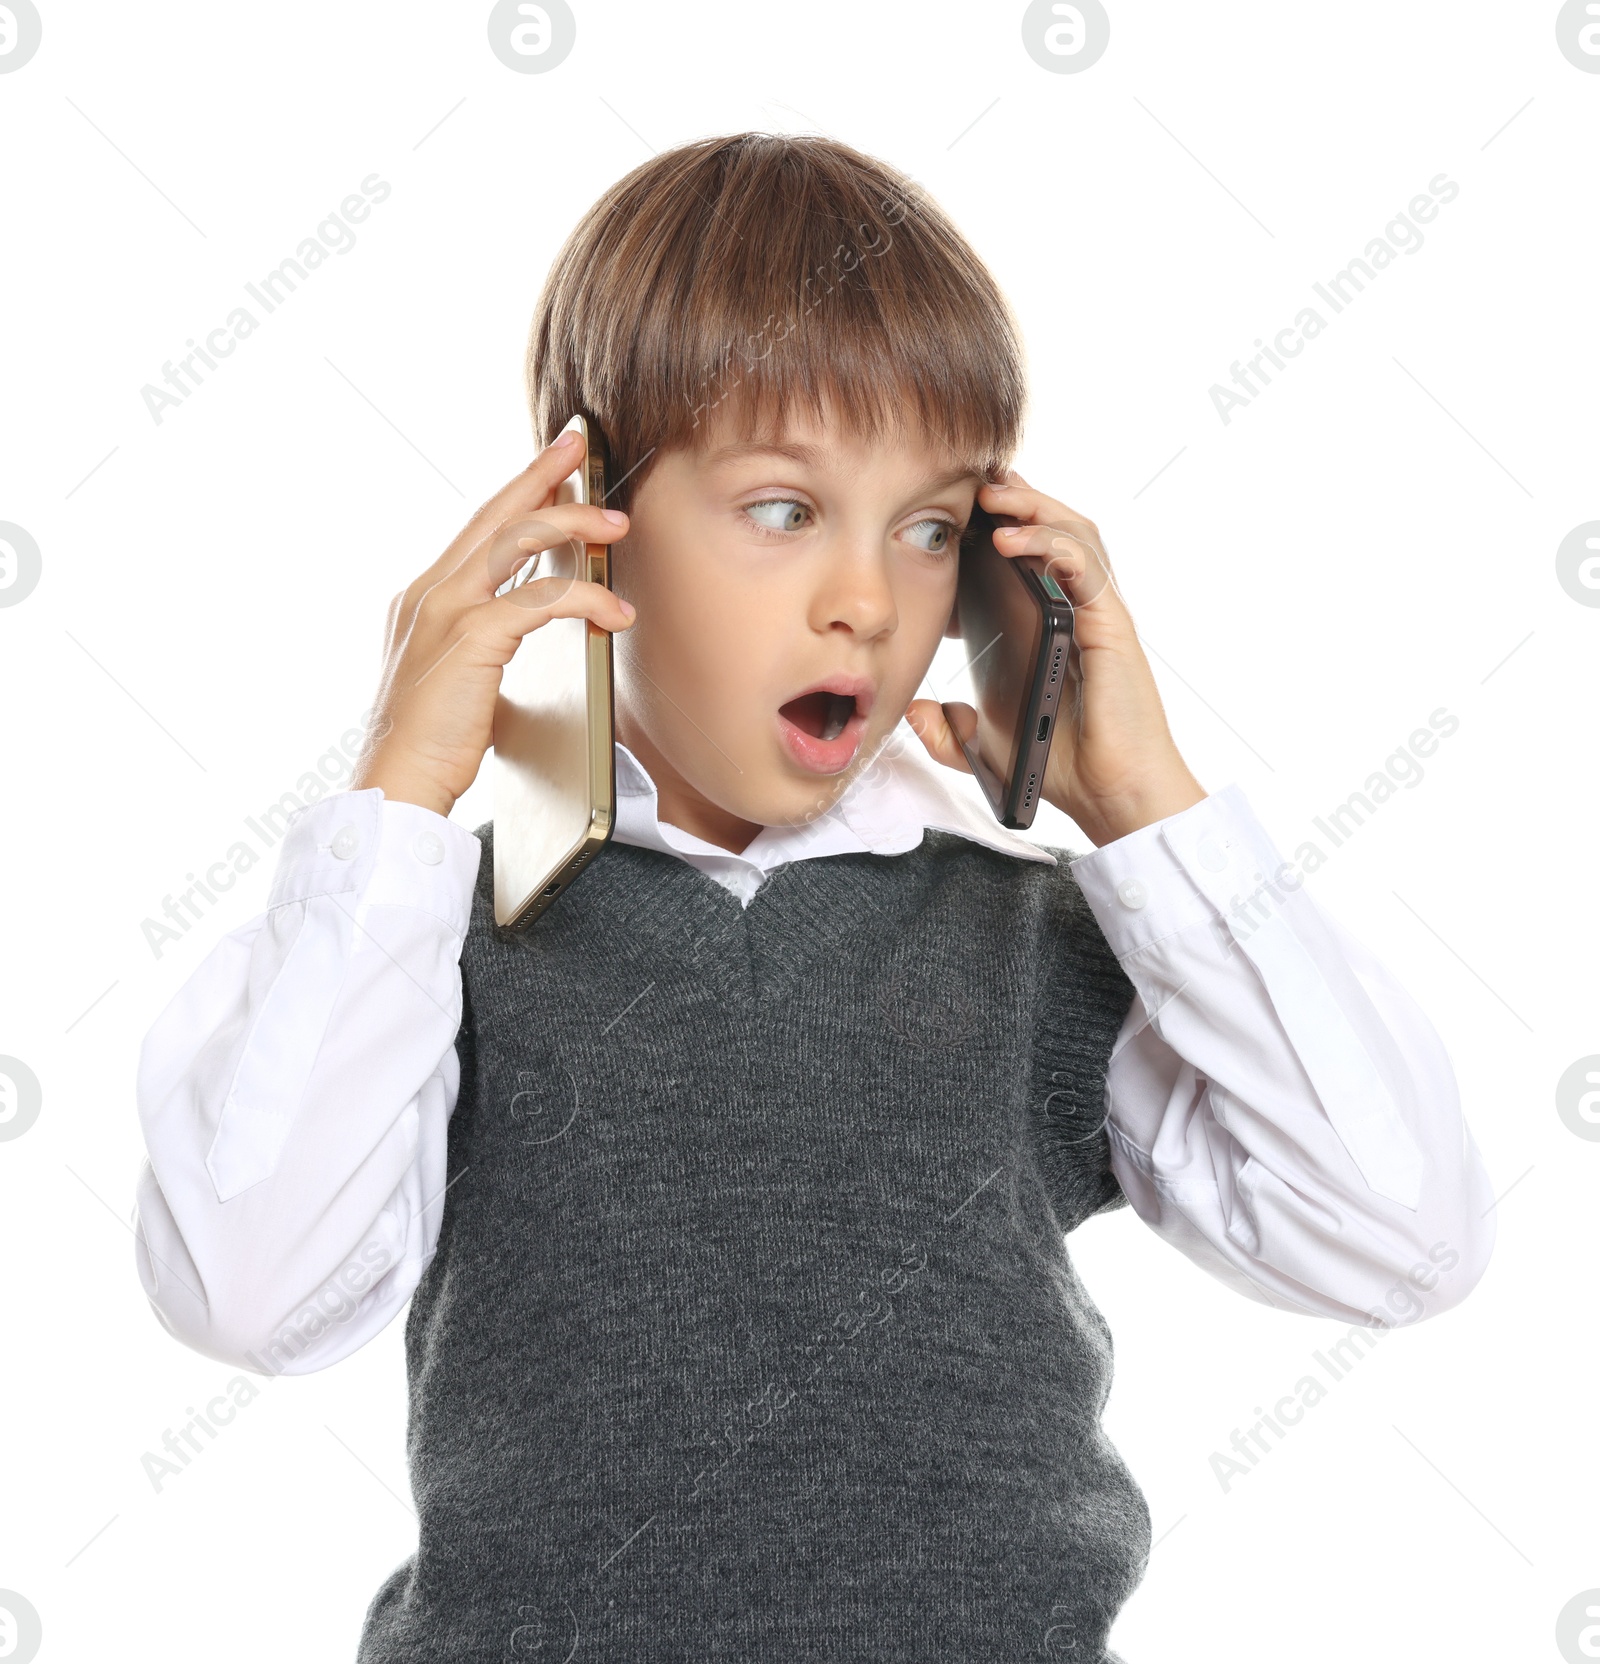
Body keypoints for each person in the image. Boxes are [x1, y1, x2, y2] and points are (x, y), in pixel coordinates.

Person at [131, 131, 1496, 1662]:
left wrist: (1150, 815)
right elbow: (249, 1298)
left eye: (927, 529)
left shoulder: (1037, 938)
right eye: (784, 509)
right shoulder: (428, 933)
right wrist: (397, 804)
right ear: (591, 516)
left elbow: (1406, 1243)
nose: (868, 596)